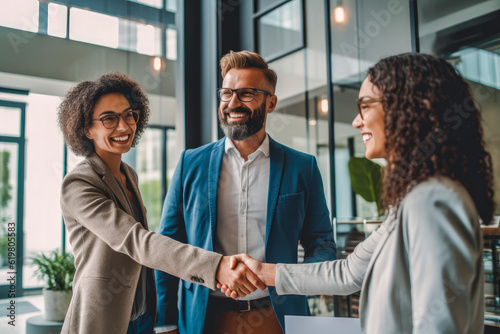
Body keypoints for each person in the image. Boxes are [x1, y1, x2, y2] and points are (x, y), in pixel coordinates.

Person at [223, 53, 496, 333]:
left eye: (365, 106)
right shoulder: (412, 200)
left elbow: (439, 326)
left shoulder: (433, 200)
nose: (356, 121)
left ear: (407, 107)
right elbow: (349, 272)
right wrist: (261, 271)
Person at [57, 72, 264, 334]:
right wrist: (216, 266)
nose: (123, 126)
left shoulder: (128, 174)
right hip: (104, 319)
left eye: (129, 114)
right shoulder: (78, 183)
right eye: (109, 118)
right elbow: (136, 241)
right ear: (86, 128)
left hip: (141, 316)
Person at [155, 50, 336, 334]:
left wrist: (282, 278)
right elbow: (167, 246)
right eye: (226, 93)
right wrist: (164, 323)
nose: (233, 103)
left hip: (276, 318)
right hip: (205, 318)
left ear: (271, 102)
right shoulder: (190, 163)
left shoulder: (303, 167)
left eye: (247, 94)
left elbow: (322, 245)